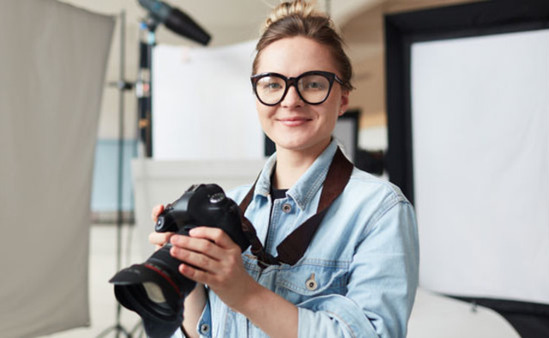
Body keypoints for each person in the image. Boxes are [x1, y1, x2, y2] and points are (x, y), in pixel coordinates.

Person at [149, 1, 419, 337]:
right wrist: (185, 270)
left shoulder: (379, 210)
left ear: (344, 98)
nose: (290, 100)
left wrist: (246, 294)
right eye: (273, 84)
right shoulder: (229, 206)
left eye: (313, 83)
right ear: (257, 95)